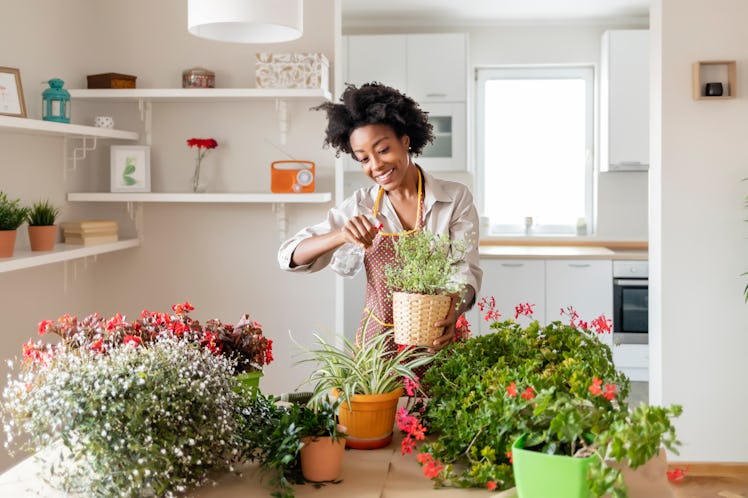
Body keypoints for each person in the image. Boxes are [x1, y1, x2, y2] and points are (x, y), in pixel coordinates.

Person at [277, 82, 482, 351]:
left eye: (383, 150)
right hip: (379, 352)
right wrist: (342, 234)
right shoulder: (361, 205)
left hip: (438, 339)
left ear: (405, 141)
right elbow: (289, 256)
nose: (376, 166)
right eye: (363, 159)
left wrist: (453, 311)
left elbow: (466, 272)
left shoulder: (454, 199)